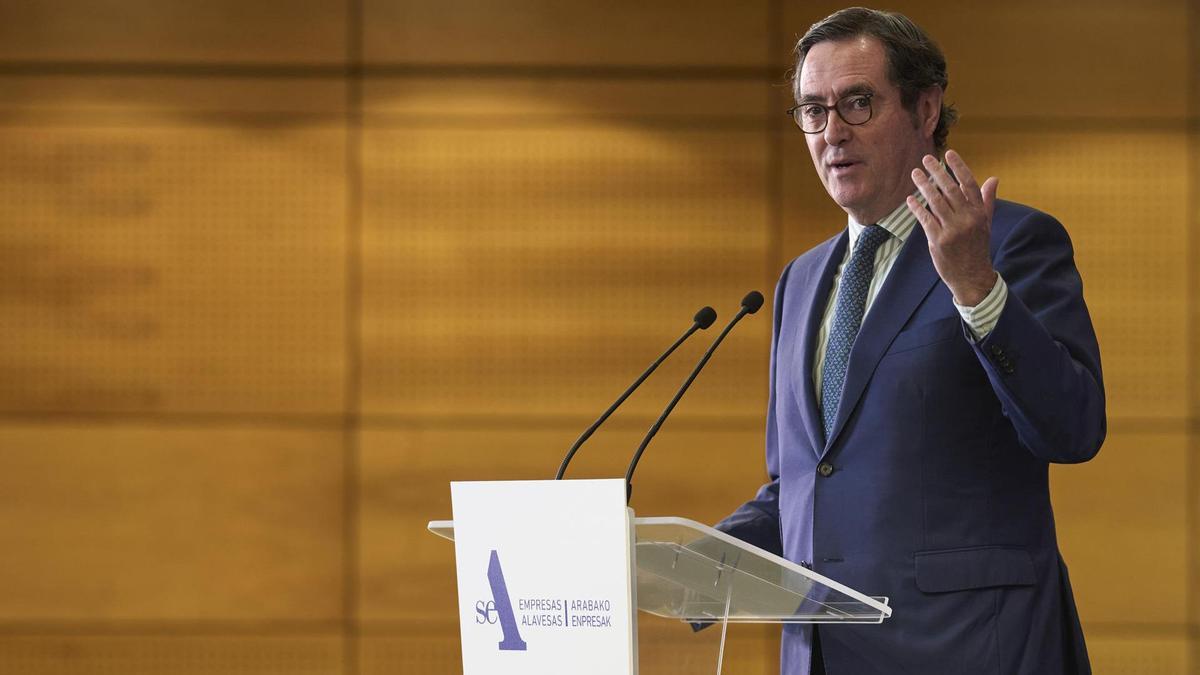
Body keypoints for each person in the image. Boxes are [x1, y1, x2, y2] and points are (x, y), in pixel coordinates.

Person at [716, 7, 1105, 674]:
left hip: (969, 648)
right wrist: (691, 560)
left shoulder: (1010, 243)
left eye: (857, 103)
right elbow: (804, 485)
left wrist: (978, 288)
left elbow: (1073, 427)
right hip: (825, 653)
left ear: (926, 108)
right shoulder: (800, 282)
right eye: (813, 110)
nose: (832, 132)